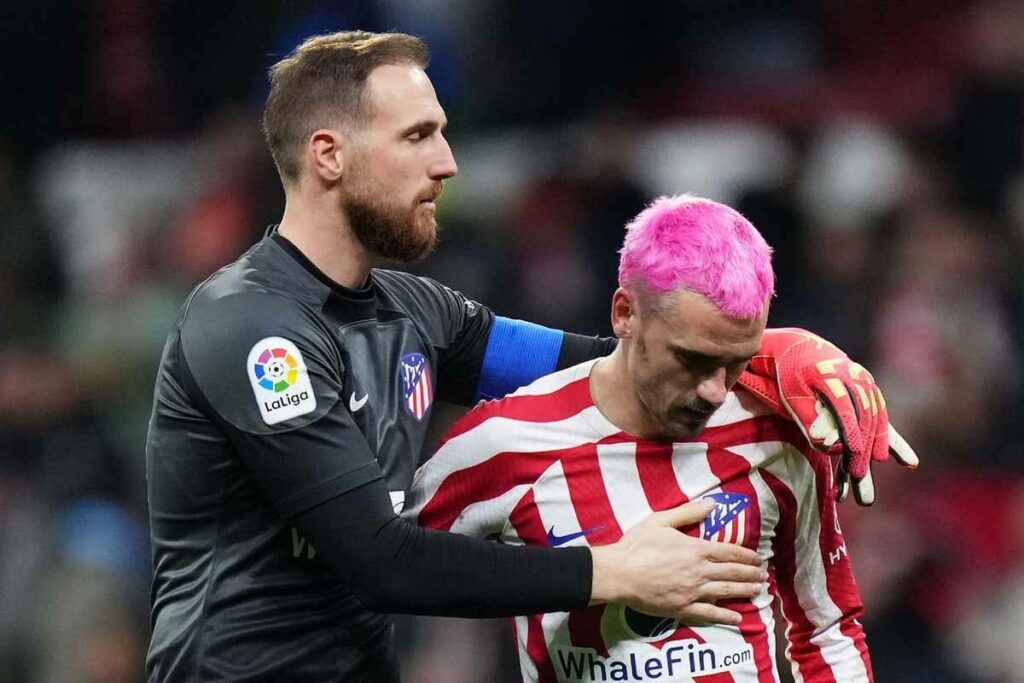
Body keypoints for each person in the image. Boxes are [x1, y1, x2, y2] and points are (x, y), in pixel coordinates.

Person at [145, 31, 913, 682]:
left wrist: (777, 351)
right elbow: (381, 561)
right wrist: (615, 569)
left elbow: (619, 361)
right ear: (329, 155)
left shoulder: (416, 312)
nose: (446, 163)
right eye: (417, 136)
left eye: (442, 133)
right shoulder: (254, 328)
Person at [408, 195, 879, 682]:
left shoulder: (778, 430)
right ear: (625, 313)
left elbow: (828, 631)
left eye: (736, 361)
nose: (715, 391)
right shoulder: (505, 442)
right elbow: (390, 570)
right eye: (692, 359)